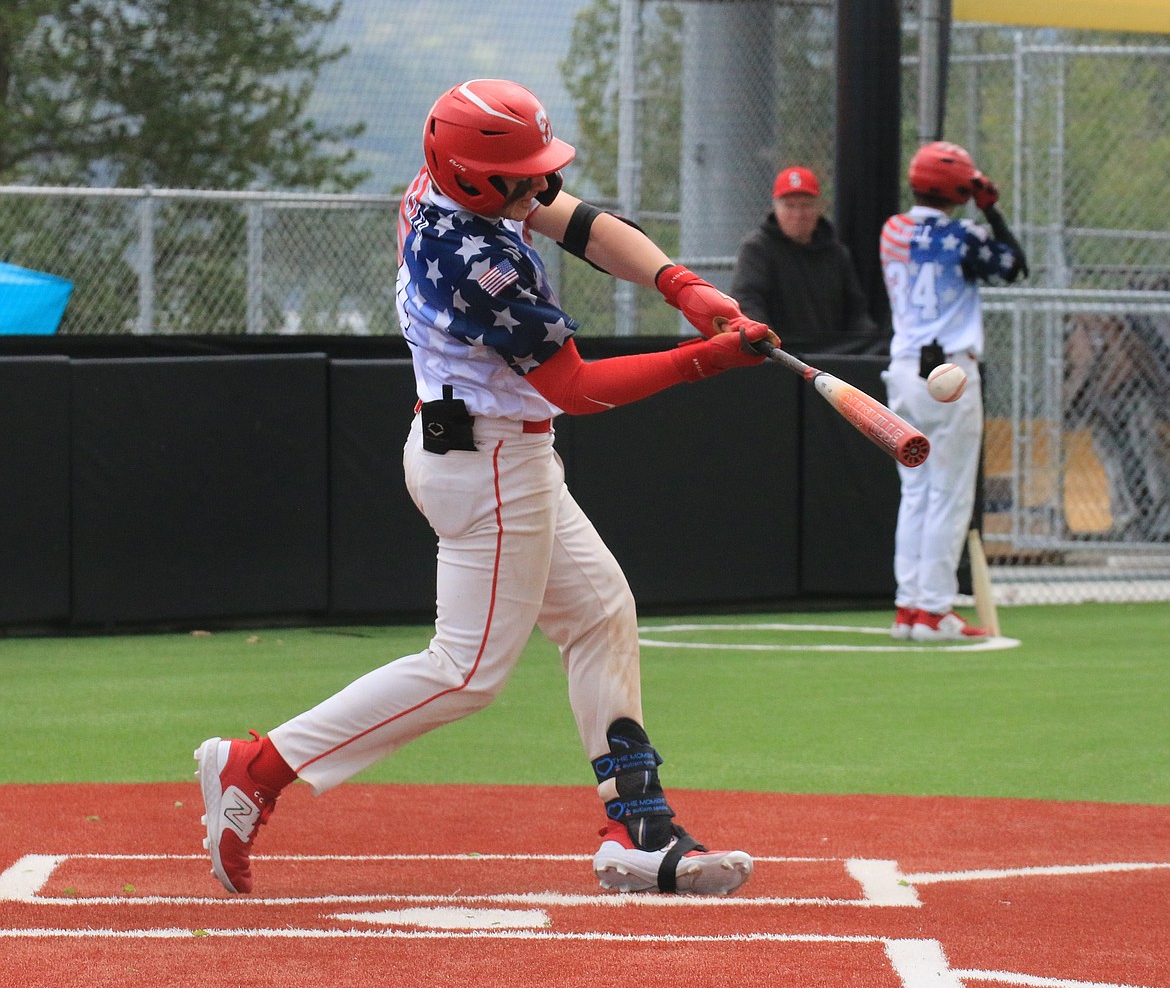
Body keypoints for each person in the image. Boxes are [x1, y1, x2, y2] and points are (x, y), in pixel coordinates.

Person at [195, 79, 776, 898]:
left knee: (599, 610)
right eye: (520, 176)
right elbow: (574, 388)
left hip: (483, 449)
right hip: (491, 466)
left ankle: (637, 828)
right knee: (466, 671)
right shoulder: (474, 262)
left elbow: (577, 221)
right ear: (472, 178)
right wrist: (702, 361)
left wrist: (682, 286)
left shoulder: (450, 184)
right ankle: (258, 766)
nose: (538, 186)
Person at [880, 140, 1028, 641]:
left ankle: (908, 608)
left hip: (903, 369)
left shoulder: (891, 231)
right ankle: (934, 610)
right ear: (960, 190)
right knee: (948, 493)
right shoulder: (965, 237)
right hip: (951, 373)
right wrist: (991, 207)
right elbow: (1013, 264)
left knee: (915, 492)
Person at [730, 165, 876, 338]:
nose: (798, 215)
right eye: (790, 206)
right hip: (779, 355)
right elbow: (748, 302)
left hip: (830, 358)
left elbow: (855, 311)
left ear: (819, 208)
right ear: (775, 209)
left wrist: (871, 342)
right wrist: (767, 342)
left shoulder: (836, 253)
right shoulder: (757, 249)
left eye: (806, 206)